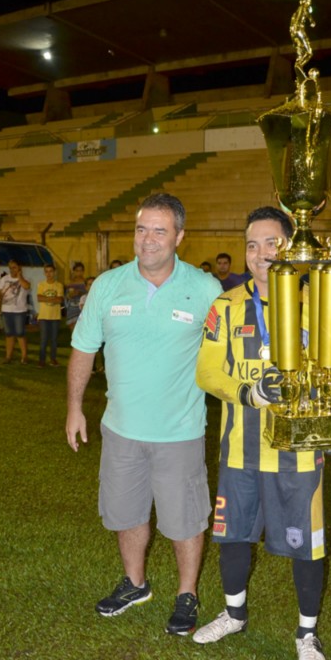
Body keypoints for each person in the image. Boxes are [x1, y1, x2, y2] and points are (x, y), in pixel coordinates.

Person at [193, 206, 331, 660]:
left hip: (300, 451)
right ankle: (234, 614)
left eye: (271, 243)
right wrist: (247, 391)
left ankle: (307, 633)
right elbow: (206, 370)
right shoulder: (225, 306)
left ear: (290, 246)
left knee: (306, 545)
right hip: (240, 450)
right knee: (233, 533)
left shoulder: (318, 305)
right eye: (251, 244)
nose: (260, 253)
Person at [66, 193, 221, 634]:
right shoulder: (108, 285)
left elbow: (227, 353)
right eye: (141, 229)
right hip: (121, 430)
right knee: (126, 513)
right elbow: (82, 349)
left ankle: (187, 594)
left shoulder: (206, 289)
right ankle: (135, 583)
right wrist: (74, 408)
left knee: (184, 520)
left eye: (159, 230)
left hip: (180, 432)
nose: (148, 240)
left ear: (179, 236)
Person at [0, 260, 31, 364]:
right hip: (6, 310)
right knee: (9, 334)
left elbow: (26, 286)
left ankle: (24, 356)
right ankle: (8, 356)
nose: (12, 270)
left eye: (14, 267)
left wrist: (19, 277)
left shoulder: (25, 279)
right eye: (10, 268)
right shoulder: (4, 279)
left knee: (20, 333)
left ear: (20, 268)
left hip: (20, 311)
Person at [37, 263, 64, 367]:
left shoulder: (59, 285)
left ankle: (53, 359)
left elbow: (60, 299)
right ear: (44, 273)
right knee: (43, 339)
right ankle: (41, 360)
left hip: (55, 316)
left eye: (51, 271)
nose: (49, 274)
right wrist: (53, 298)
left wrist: (46, 298)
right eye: (47, 271)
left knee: (54, 340)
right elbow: (39, 298)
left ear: (54, 272)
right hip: (43, 316)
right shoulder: (41, 285)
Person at [64, 262, 87, 332]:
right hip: (72, 308)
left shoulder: (86, 282)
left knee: (82, 330)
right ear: (74, 271)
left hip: (83, 308)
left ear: (83, 271)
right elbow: (66, 296)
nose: (79, 273)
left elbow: (90, 294)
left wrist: (80, 293)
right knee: (73, 330)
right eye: (77, 270)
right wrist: (70, 295)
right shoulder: (70, 283)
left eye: (81, 270)